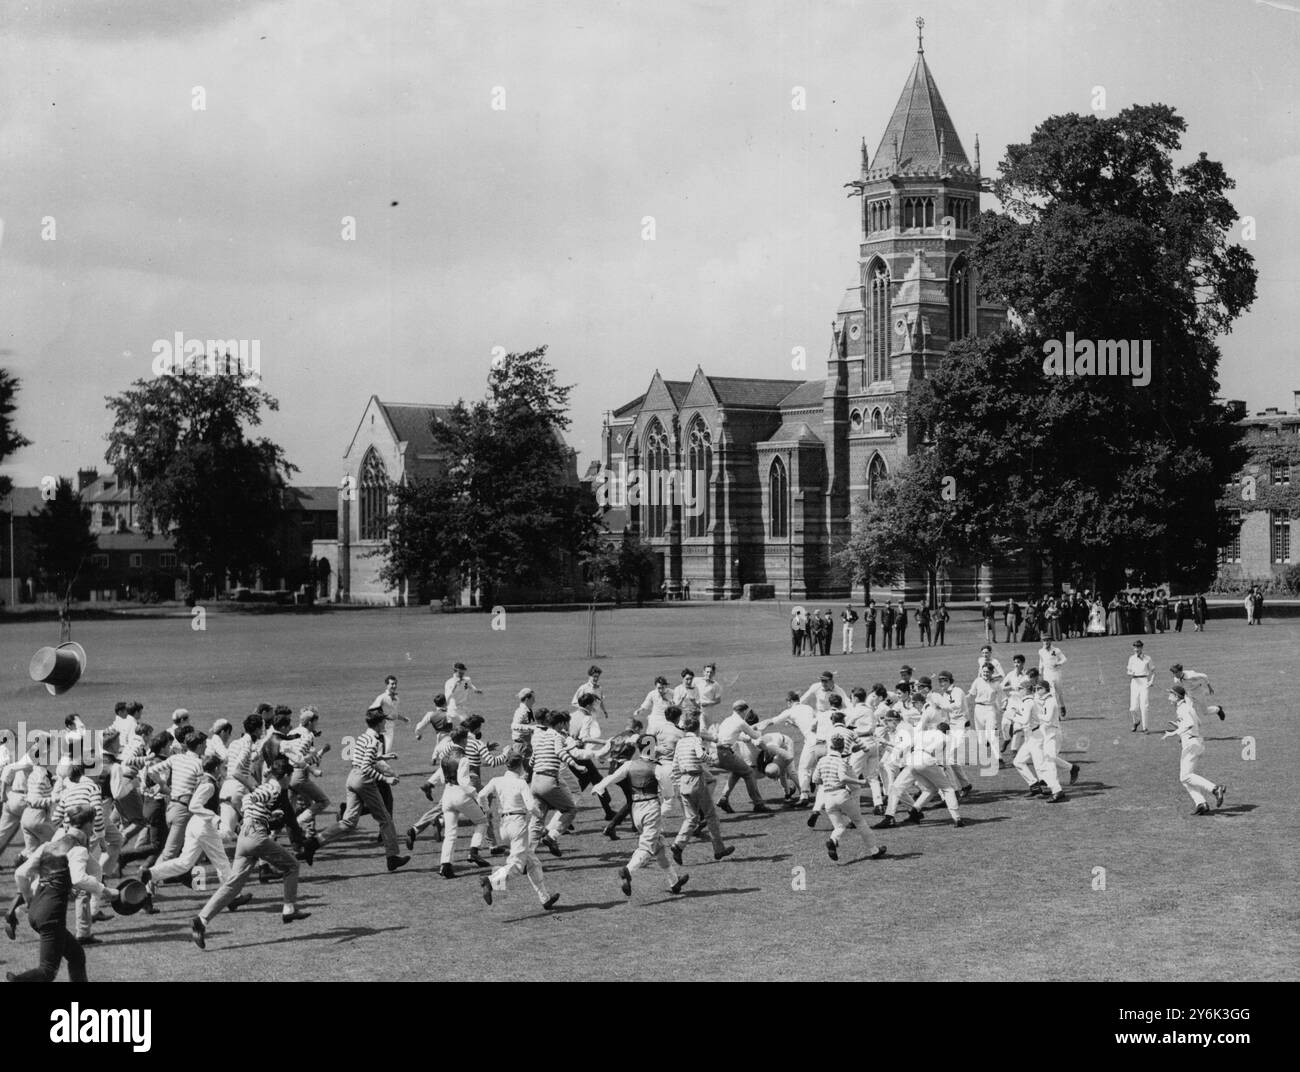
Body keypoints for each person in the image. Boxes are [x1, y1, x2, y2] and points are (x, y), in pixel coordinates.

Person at [190, 757, 310, 949]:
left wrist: (266, 815)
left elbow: (249, 801)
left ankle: (201, 920)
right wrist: (259, 816)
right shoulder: (274, 788)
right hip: (256, 835)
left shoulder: (268, 787)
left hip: (245, 836)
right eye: (290, 777)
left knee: (232, 886)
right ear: (286, 776)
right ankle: (288, 909)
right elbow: (250, 798)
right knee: (292, 866)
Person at [6, 805, 116, 982]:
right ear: (88, 825)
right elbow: (79, 878)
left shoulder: (47, 846)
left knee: (77, 955)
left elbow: (20, 874)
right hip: (51, 915)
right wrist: (105, 891)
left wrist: (29, 899)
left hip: (36, 911)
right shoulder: (78, 850)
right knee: (47, 971)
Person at [300, 708, 409, 872]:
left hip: (351, 778)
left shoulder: (364, 736)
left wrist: (382, 757)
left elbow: (360, 758)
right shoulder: (374, 741)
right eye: (384, 721)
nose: (386, 723)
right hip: (363, 780)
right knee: (385, 819)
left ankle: (314, 843)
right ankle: (392, 857)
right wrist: (385, 778)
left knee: (348, 822)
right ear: (379, 723)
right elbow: (366, 767)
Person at [590, 736, 689, 899]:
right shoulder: (658, 768)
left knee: (658, 847)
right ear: (653, 747)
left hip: (636, 810)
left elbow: (612, 777)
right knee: (647, 847)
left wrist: (599, 787)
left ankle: (674, 882)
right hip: (651, 808)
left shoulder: (630, 764)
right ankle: (627, 870)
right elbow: (669, 794)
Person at [476, 752, 560, 910]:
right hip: (518, 824)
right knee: (517, 865)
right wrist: (539, 815)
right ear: (520, 766)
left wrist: (486, 810)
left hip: (503, 826)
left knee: (533, 862)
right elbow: (530, 806)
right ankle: (491, 881)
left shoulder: (496, 780)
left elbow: (481, 795)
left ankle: (545, 898)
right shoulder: (521, 783)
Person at [669, 714, 733, 865]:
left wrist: (678, 784)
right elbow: (700, 755)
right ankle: (719, 849)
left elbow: (674, 766)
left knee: (691, 818)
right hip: (696, 780)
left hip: (683, 781)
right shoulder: (695, 740)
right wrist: (711, 760)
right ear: (697, 729)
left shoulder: (680, 743)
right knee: (711, 816)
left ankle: (678, 845)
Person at [813, 732, 886, 863]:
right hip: (841, 794)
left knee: (839, 827)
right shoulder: (841, 761)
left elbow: (815, 779)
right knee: (860, 822)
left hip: (828, 798)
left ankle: (833, 840)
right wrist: (861, 782)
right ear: (842, 748)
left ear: (831, 746)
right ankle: (874, 850)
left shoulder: (822, 761)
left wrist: (826, 779)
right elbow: (842, 778)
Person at [1162, 685, 1226, 816]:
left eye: (1170, 694)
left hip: (1191, 744)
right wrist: (1180, 726)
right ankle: (1201, 804)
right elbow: (1198, 723)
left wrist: (1175, 732)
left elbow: (1190, 723)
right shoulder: (1186, 707)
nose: (1168, 696)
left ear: (1176, 696)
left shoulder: (1183, 709)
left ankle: (1215, 789)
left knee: (1185, 776)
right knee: (1185, 778)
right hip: (1195, 742)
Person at [710, 702, 769, 813]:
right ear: (743, 711)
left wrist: (746, 738)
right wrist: (760, 727)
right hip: (726, 753)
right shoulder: (741, 722)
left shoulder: (727, 720)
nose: (747, 714)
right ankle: (758, 804)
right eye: (746, 712)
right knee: (749, 773)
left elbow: (737, 736)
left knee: (737, 771)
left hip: (717, 753)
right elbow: (755, 735)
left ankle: (724, 799)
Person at [1126, 640, 1155, 733]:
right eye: (1135, 647)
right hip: (1134, 682)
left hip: (1144, 681)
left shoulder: (1148, 658)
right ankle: (1136, 721)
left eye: (1138, 647)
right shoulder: (1131, 658)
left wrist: (1151, 681)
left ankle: (1145, 727)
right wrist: (1131, 673)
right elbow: (1128, 671)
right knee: (1133, 708)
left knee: (1144, 705)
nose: (1136, 649)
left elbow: (1153, 671)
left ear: (1142, 648)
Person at [1038, 637, 1068, 716]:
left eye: (1047, 640)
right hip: (1047, 674)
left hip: (1056, 673)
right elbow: (1041, 662)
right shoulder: (1041, 651)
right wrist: (1040, 672)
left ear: (1050, 641)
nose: (1046, 642)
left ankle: (1062, 706)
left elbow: (1064, 659)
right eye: (1044, 640)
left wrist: (1058, 663)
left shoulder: (1056, 650)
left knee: (1059, 692)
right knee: (1052, 693)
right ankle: (1056, 714)